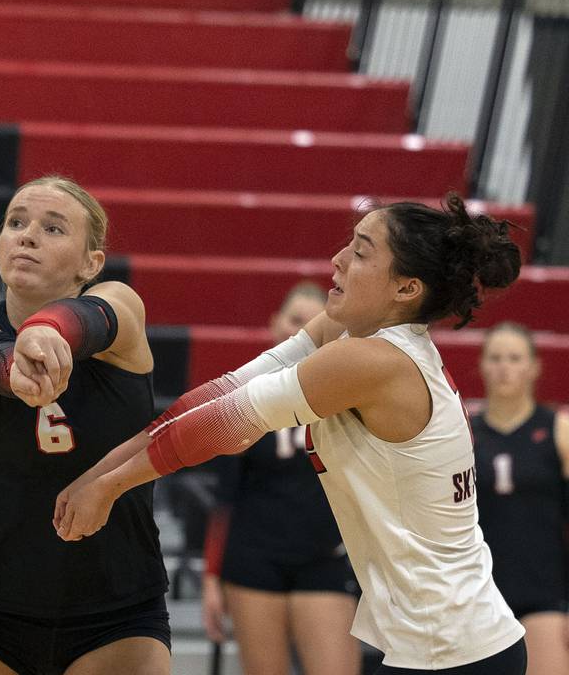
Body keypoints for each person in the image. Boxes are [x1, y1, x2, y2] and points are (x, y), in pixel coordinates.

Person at [55, 193, 529, 674]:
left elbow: (225, 425)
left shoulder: (374, 361)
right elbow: (222, 393)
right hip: (442, 644)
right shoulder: (351, 335)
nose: (338, 258)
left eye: (361, 252)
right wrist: (98, 475)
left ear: (406, 289)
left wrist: (110, 488)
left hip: (456, 650)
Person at [0, 175, 170, 675]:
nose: (28, 235)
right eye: (16, 223)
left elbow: (99, 316)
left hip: (116, 613)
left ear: (90, 263)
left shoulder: (122, 306)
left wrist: (45, 329)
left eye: (53, 229)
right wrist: (16, 370)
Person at [201, 282, 361, 675]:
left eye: (310, 325)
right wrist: (210, 578)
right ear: (275, 324)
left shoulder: (347, 398)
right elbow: (225, 496)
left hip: (326, 559)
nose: (298, 332)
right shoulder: (243, 395)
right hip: (254, 560)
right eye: (293, 321)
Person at [472, 322, 569, 675]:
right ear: (481, 365)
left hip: (544, 597)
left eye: (514, 358)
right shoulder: (465, 435)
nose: (504, 367)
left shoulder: (559, 430)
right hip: (480, 600)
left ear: (534, 367)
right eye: (495, 357)